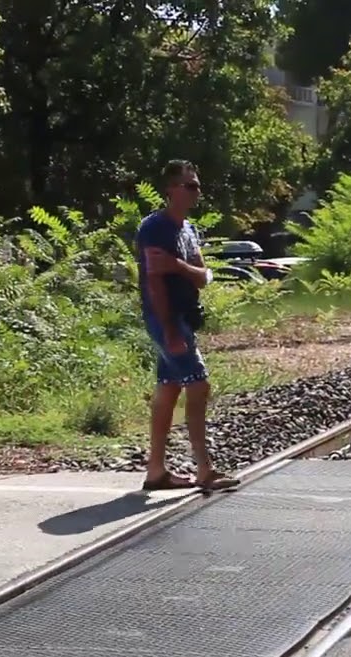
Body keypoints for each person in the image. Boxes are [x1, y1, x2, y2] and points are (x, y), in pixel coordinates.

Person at [136, 159, 238, 492]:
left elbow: (204, 276)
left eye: (197, 185)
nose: (197, 192)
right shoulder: (155, 228)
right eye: (190, 186)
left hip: (184, 317)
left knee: (169, 388)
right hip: (166, 318)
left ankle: (156, 471)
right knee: (198, 384)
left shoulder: (188, 229)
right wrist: (168, 330)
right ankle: (205, 470)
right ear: (170, 190)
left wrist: (178, 265)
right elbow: (155, 282)